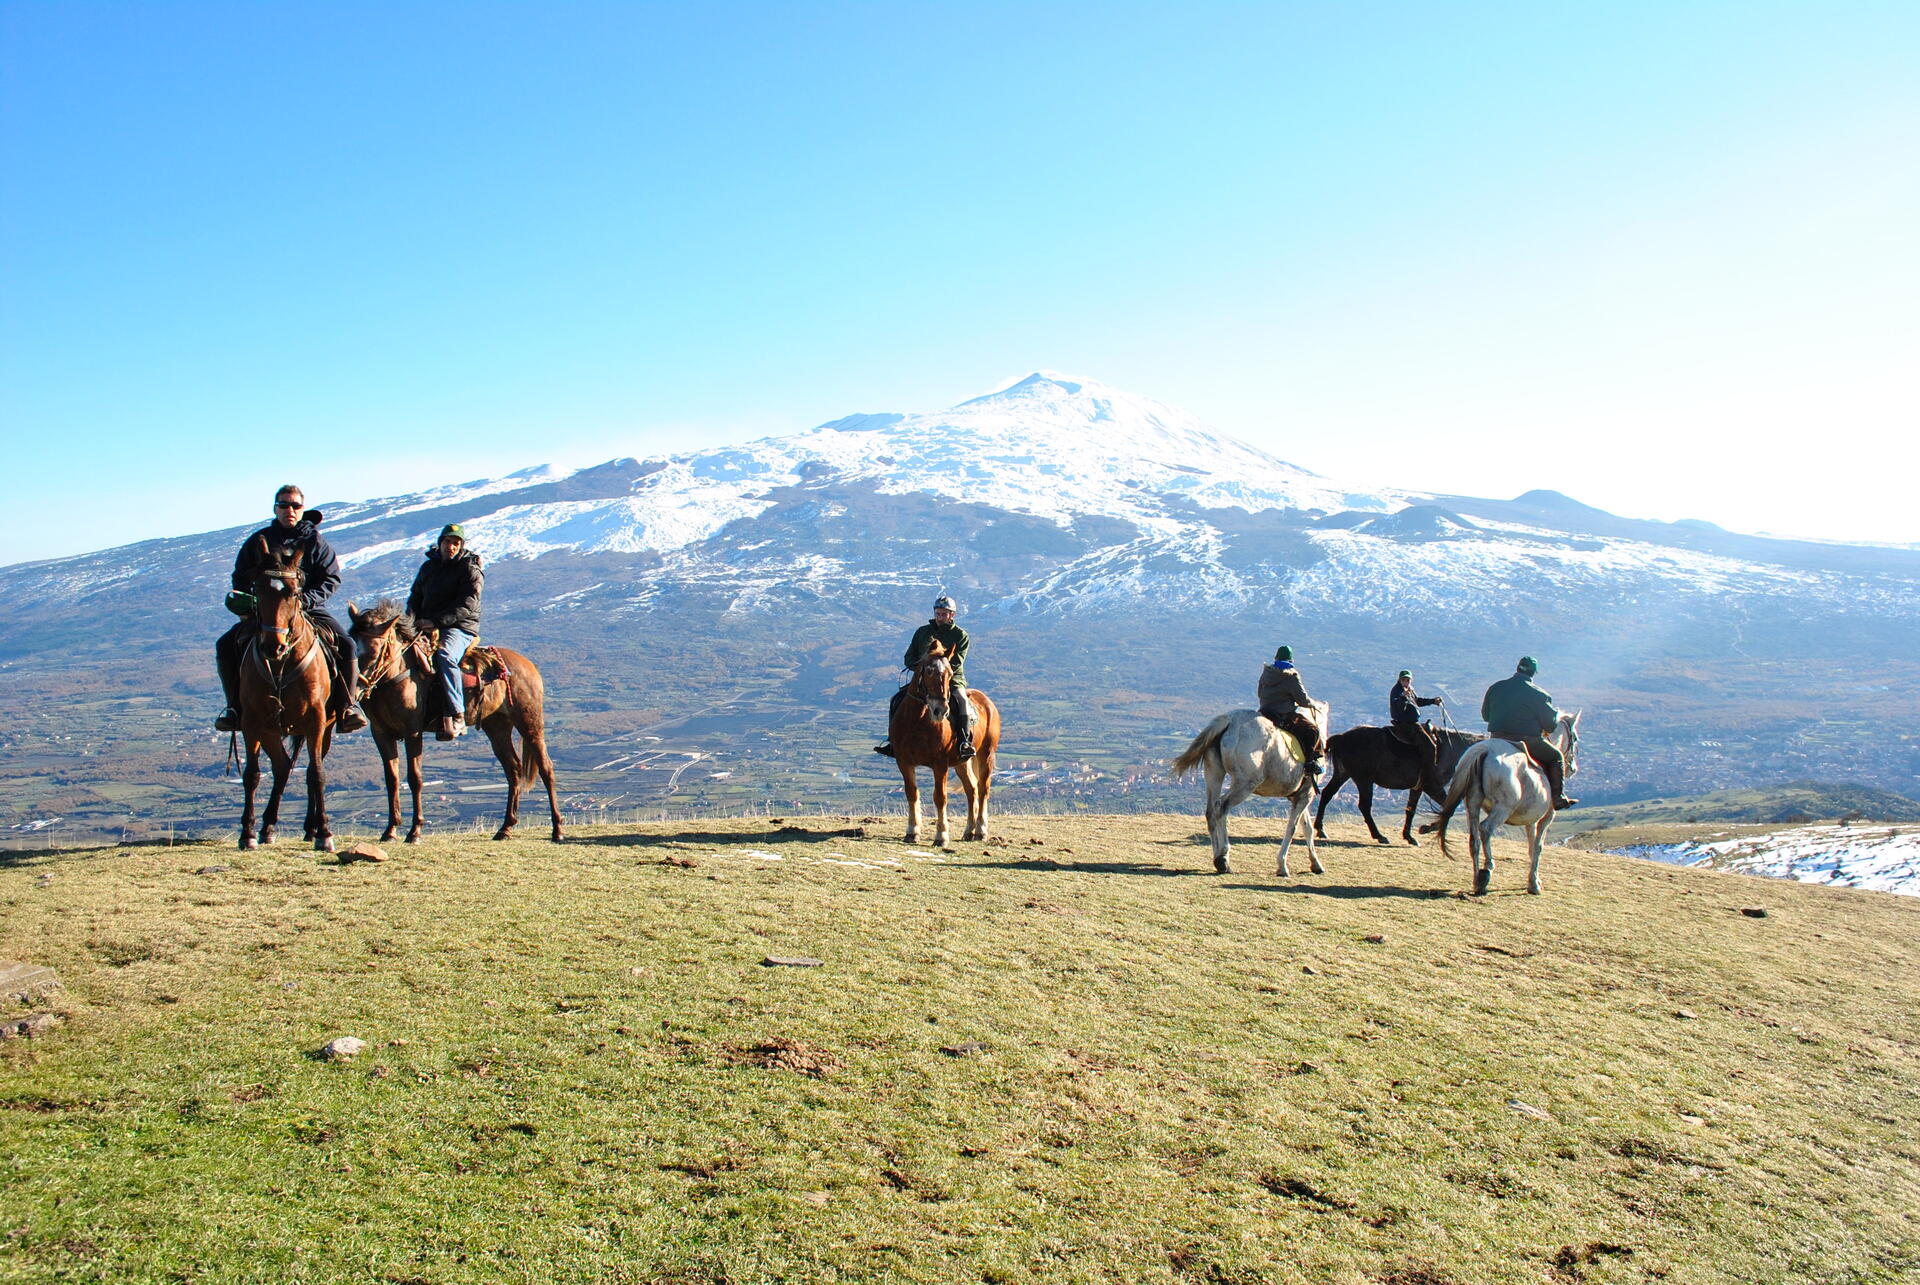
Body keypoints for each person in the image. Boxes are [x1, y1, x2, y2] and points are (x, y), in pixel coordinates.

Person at [214, 483, 366, 734]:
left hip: (308, 608)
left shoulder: (315, 541)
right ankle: (233, 709)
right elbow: (240, 577)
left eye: (295, 505)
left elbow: (331, 579)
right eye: (284, 505)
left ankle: (347, 707)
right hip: (267, 612)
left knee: (347, 644)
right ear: (276, 509)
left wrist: (305, 601)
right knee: (225, 644)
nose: (290, 510)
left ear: (302, 509)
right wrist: (247, 606)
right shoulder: (258, 541)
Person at [406, 523, 485, 741]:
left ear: (461, 546)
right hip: (426, 623)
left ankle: (457, 713)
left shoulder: (469, 569)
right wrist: (411, 619)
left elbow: (467, 605)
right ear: (440, 542)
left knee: (445, 655)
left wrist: (436, 621)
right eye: (448, 542)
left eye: (456, 543)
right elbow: (415, 595)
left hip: (459, 627)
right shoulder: (428, 568)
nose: (451, 547)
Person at [874, 594, 973, 761]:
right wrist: (921, 668)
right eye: (938, 613)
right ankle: (892, 742)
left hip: (951, 679)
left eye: (944, 614)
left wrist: (940, 672)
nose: (940, 617)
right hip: (922, 680)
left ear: (952, 615)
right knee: (896, 699)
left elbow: (956, 662)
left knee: (962, 701)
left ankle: (964, 743)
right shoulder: (922, 632)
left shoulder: (960, 635)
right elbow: (909, 657)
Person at [1481, 655, 1577, 809]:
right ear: (1533, 673)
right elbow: (1551, 727)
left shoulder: (1496, 687)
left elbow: (1486, 716)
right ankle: (1558, 798)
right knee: (1556, 756)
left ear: (1517, 668)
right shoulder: (1539, 694)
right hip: (1527, 741)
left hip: (1497, 739)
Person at [1257, 645, 1325, 778]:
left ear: (1276, 658)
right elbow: (1302, 700)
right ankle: (1310, 763)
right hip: (1283, 715)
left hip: (1264, 711)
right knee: (1312, 730)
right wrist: (1313, 704)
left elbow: (1260, 692)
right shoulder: (1291, 676)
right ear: (1291, 660)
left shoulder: (1267, 673)